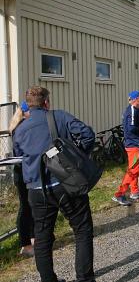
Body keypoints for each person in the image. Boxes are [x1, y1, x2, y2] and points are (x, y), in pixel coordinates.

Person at [12, 86, 96, 282]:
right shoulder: (59, 117)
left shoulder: (20, 129)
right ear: (46, 102)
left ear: (28, 106)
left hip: (36, 189)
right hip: (66, 183)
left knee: (42, 238)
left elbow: (18, 154)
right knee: (82, 229)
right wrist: (78, 155)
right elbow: (87, 134)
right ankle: (84, 278)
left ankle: (48, 279)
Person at [8, 101, 34, 257]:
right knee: (25, 207)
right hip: (23, 171)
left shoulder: (23, 125)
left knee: (32, 205)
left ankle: (33, 238)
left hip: (27, 170)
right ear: (25, 112)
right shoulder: (20, 127)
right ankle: (25, 244)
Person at [113, 90, 139, 206]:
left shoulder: (134, 110)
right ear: (136, 100)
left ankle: (135, 191)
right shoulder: (132, 110)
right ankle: (119, 194)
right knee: (133, 170)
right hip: (133, 145)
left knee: (135, 169)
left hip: (134, 144)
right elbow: (132, 128)